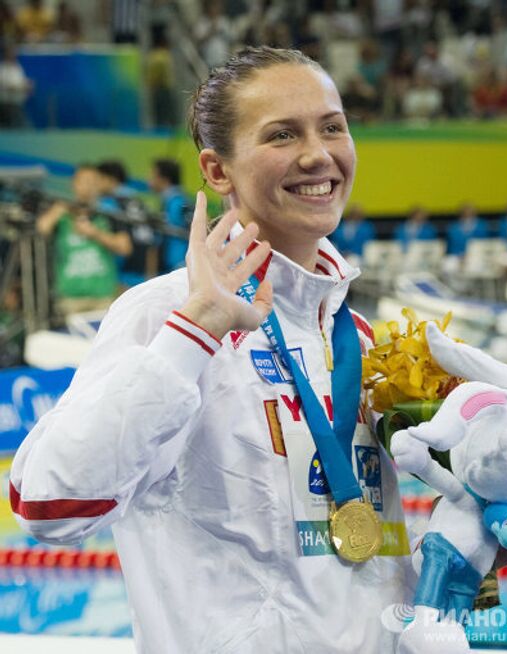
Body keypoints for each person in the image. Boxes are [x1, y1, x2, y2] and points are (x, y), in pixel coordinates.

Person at [10, 47, 417, 653]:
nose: (318, 154)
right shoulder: (165, 314)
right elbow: (49, 504)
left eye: (332, 126)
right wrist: (196, 329)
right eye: (282, 134)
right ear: (218, 171)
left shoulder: (352, 335)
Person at [35, 164, 132, 315]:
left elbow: (125, 247)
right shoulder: (62, 215)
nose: (87, 187)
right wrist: (58, 209)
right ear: (73, 184)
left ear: (99, 185)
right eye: (83, 181)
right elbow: (42, 229)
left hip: (102, 298)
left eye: (92, 182)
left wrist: (95, 233)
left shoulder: (108, 214)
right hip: (70, 298)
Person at [97, 160, 154, 287]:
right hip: (142, 274)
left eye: (99, 178)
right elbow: (152, 240)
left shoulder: (108, 203)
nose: (96, 184)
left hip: (120, 275)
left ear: (110, 179)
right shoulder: (138, 201)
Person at [149, 158, 191, 273]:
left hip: (177, 265)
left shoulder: (177, 202)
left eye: (152, 176)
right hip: (173, 265)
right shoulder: (172, 200)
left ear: (164, 179)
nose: (149, 181)